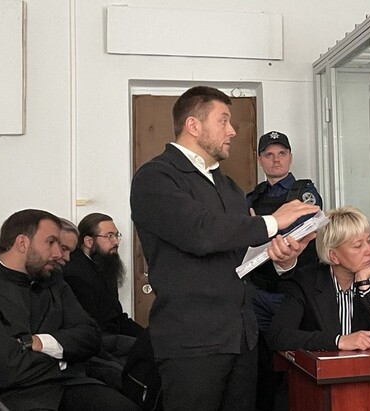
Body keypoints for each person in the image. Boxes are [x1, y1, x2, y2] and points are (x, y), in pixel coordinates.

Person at [130, 86, 319, 411]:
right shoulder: (156, 177)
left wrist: (280, 257)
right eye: (223, 121)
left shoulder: (228, 186)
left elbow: (237, 254)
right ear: (194, 125)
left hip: (241, 336)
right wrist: (272, 222)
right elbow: (199, 233)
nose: (232, 130)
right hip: (193, 339)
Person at [0, 209, 140, 411]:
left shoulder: (54, 280)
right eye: (51, 243)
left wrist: (39, 342)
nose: (59, 254)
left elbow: (90, 336)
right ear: (22, 243)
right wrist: (66, 360)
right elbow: (6, 369)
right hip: (14, 396)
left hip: (72, 385)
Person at [245, 131, 323, 410]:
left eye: (281, 153)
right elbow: (243, 240)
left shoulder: (305, 192)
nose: (276, 160)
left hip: (295, 292)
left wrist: (260, 228)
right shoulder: (252, 196)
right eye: (269, 154)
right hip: (259, 292)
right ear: (260, 160)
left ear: (290, 157)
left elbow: (296, 235)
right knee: (260, 362)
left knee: (294, 363)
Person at [266, 206, 370, 352]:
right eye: (358, 246)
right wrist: (338, 341)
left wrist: (365, 287)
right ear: (333, 256)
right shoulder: (306, 281)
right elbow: (277, 336)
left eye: (369, 241)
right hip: (321, 371)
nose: (369, 251)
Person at [62, 213, 143, 389]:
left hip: (111, 335)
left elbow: (117, 316)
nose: (116, 241)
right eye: (109, 236)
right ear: (89, 241)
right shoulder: (75, 273)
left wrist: (147, 336)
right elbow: (89, 326)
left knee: (152, 344)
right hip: (96, 342)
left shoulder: (105, 265)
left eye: (116, 235)